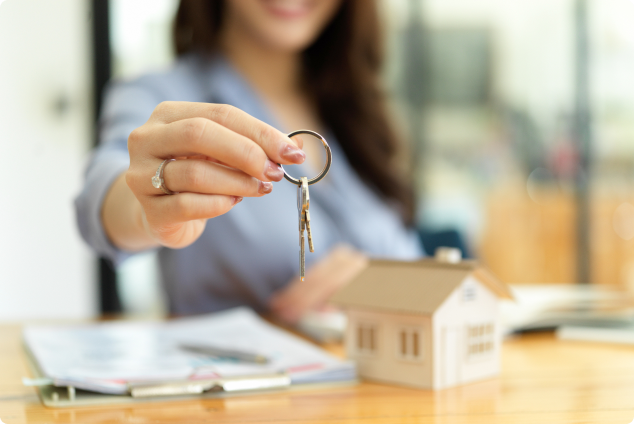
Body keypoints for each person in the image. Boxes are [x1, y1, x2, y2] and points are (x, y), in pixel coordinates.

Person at [75, 0, 423, 323]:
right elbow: (102, 195)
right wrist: (147, 208)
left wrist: (382, 284)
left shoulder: (357, 110)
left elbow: (418, 268)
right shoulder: (159, 94)